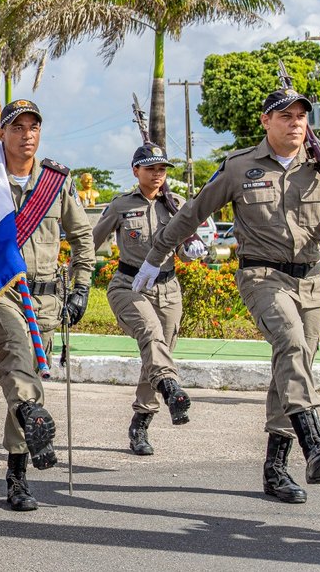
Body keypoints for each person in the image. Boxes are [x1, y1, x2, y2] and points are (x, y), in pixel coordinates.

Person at [135, 85, 320, 504]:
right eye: (285, 116)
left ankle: (275, 469)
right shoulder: (239, 166)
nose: (295, 123)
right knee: (291, 344)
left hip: (313, 281)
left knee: (294, 364)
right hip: (262, 276)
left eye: (301, 116)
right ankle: (314, 443)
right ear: (266, 122)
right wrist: (155, 256)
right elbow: (193, 212)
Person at [0, 99, 95, 511]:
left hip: (45, 299)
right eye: (17, 127)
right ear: (2, 134)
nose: (27, 134)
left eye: (33, 127)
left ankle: (17, 473)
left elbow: (83, 238)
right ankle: (31, 425)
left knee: (27, 380)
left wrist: (82, 287)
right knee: (17, 359)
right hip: (0, 295)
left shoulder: (55, 182)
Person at [92, 145, 207, 456]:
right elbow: (91, 242)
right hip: (129, 285)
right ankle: (171, 391)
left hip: (168, 288)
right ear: (135, 171)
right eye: (150, 168)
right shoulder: (120, 206)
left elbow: (185, 245)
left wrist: (192, 251)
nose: (157, 174)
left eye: (162, 169)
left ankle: (141, 421)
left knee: (157, 354)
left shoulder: (177, 205)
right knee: (151, 335)